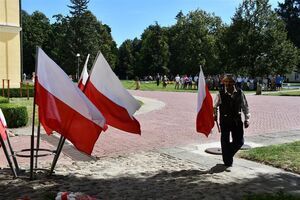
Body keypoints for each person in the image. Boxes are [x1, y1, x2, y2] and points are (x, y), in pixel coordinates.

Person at [213, 74, 250, 167]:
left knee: (239, 142)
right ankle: (227, 161)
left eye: (230, 83)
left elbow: (245, 107)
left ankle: (227, 153)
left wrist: (247, 119)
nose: (228, 85)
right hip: (225, 120)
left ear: (234, 83)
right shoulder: (220, 93)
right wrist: (215, 115)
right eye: (226, 82)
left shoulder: (240, 93)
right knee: (224, 140)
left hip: (237, 120)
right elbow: (215, 106)